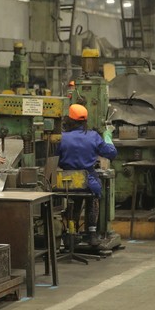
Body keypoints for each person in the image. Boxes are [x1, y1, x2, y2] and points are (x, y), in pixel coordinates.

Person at [55, 104, 117, 245]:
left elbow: (54, 158)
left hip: (66, 182)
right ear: (85, 121)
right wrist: (108, 136)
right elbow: (112, 153)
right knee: (93, 196)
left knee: (74, 199)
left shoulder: (62, 137)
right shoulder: (93, 136)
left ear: (68, 120)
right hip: (88, 180)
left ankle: (71, 231)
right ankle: (92, 233)